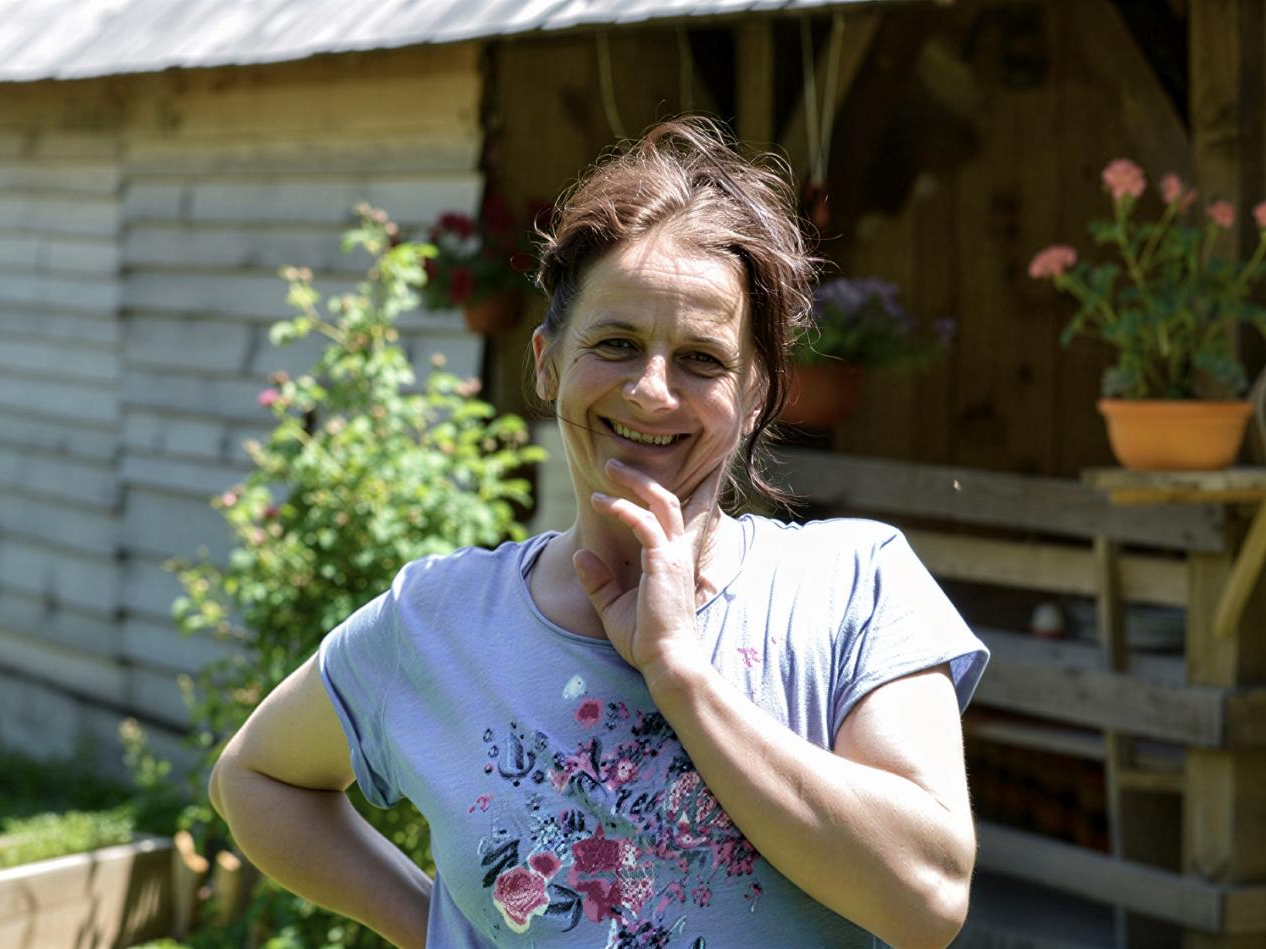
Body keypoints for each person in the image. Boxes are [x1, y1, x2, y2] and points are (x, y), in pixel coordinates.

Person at [208, 118, 989, 949]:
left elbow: (927, 900)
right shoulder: (436, 618)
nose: (652, 392)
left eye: (702, 359)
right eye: (616, 344)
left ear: (758, 392)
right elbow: (253, 779)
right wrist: (436, 927)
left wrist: (678, 670)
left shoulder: (854, 584)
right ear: (547, 362)